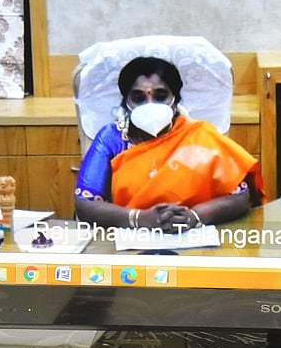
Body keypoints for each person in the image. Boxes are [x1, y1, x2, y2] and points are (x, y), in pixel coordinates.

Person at [74, 56, 264, 230]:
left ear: (175, 99)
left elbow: (239, 197)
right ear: (126, 102)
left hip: (195, 237)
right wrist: (140, 218)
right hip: (129, 240)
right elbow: (85, 204)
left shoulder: (199, 136)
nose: (150, 104)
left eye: (160, 95)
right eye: (139, 98)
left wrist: (194, 216)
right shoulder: (111, 139)